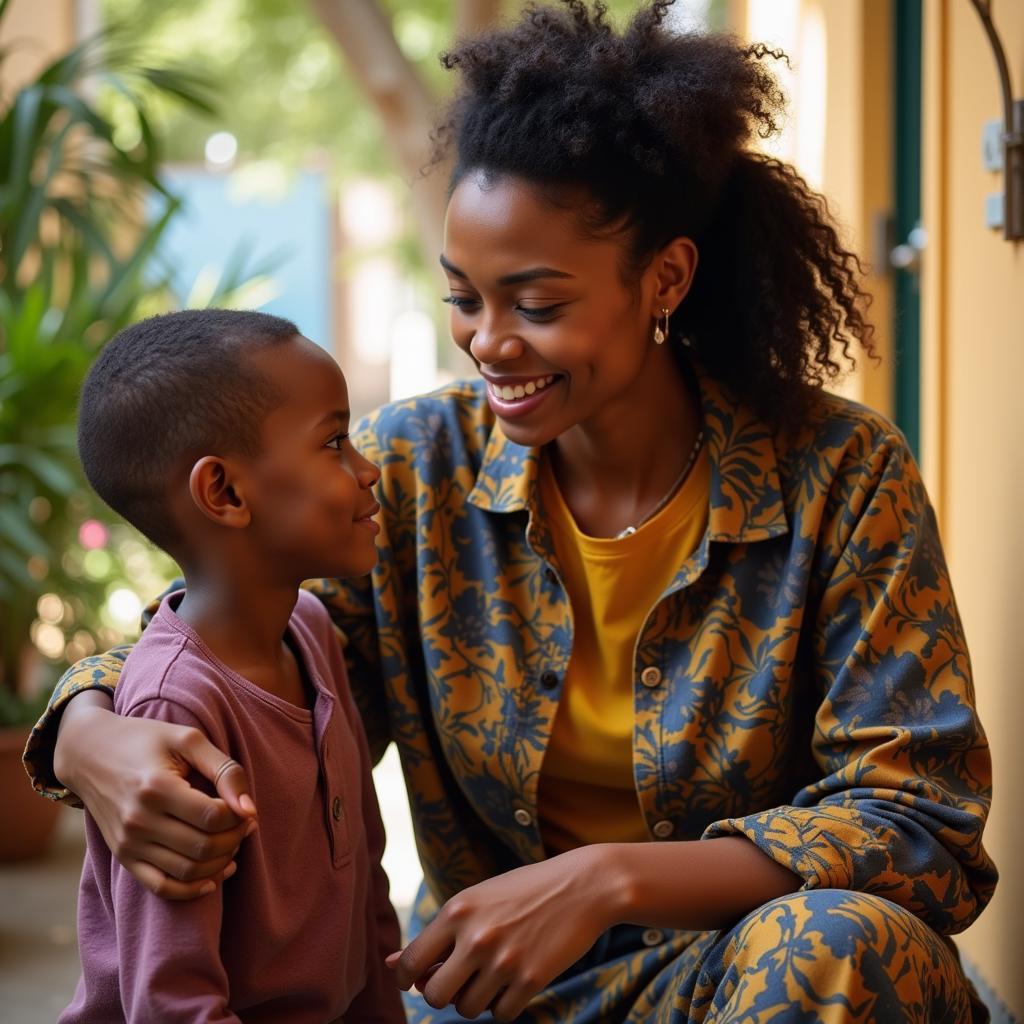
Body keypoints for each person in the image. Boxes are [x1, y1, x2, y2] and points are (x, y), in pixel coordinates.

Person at [27, 3, 997, 1021]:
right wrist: (88, 730)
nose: (488, 343)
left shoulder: (838, 474)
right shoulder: (410, 470)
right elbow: (246, 644)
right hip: (492, 995)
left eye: (534, 303)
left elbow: (918, 820)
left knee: (838, 943)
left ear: (663, 277)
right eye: (464, 298)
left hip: (753, 982)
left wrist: (605, 881)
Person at [57, 310, 405, 1023]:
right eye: (335, 443)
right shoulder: (174, 713)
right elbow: (173, 1001)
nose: (368, 470)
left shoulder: (311, 630)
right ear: (225, 493)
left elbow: (368, 885)